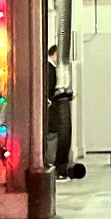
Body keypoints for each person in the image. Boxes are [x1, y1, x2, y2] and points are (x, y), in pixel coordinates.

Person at [44, 44, 74, 178]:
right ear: (55, 54)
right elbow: (49, 89)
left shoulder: (52, 69)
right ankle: (54, 165)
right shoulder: (49, 69)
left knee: (55, 137)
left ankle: (57, 165)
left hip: (55, 108)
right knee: (53, 138)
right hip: (53, 110)